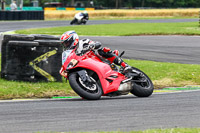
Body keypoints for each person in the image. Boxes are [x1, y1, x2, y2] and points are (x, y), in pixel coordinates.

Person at [59, 30, 131, 77]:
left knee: (102, 51)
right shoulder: (70, 53)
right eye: (65, 44)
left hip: (96, 59)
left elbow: (97, 44)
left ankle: (125, 65)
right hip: (86, 65)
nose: (66, 45)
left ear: (74, 39)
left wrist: (92, 45)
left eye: (67, 43)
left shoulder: (83, 42)